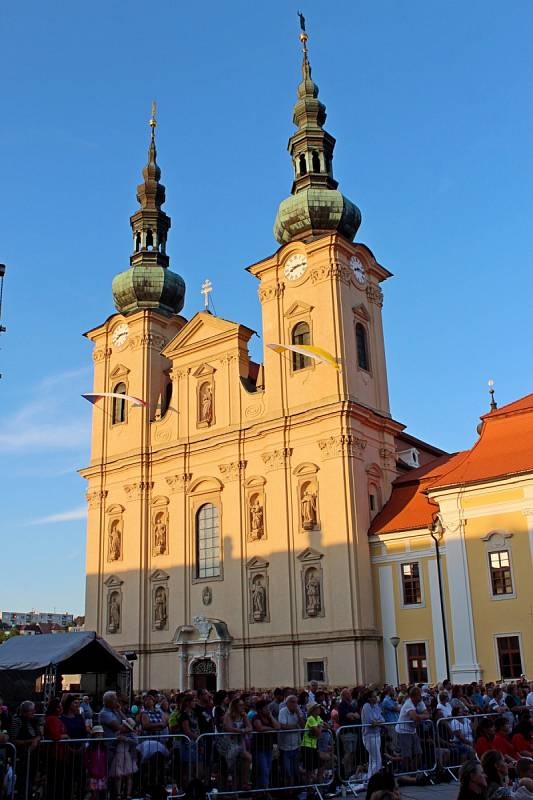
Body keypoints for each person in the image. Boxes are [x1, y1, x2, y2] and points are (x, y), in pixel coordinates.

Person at [9, 700, 41, 799]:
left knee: (30, 780)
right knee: (22, 781)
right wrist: (29, 742)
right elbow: (13, 740)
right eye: (31, 711)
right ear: (24, 712)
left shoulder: (34, 721)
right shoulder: (17, 721)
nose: (33, 713)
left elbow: (40, 734)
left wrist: (36, 740)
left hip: (32, 757)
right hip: (21, 756)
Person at [394, 686, 429, 773]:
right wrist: (420, 717)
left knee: (418, 753)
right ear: (413, 696)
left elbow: (427, 714)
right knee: (407, 755)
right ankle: (405, 773)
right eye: (418, 695)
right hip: (403, 731)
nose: (420, 697)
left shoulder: (420, 702)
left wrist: (419, 717)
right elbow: (414, 717)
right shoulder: (408, 704)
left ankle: (413, 771)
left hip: (412, 731)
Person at [220, 697, 252, 790]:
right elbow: (229, 728)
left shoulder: (243, 715)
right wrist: (242, 730)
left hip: (240, 743)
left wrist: (243, 730)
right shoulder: (228, 715)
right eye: (240, 705)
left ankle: (243, 783)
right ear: (235, 706)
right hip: (229, 744)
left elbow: (250, 727)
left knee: (244, 761)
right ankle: (236, 789)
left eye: (243, 705)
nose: (243, 707)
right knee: (233, 769)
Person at [251, 699, 280, 789]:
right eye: (265, 708)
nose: (268, 709)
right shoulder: (256, 717)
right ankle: (263, 791)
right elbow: (259, 728)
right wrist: (271, 729)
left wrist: (271, 716)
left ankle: (264, 789)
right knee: (263, 770)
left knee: (268, 769)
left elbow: (278, 727)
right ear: (260, 709)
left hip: (268, 748)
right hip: (259, 748)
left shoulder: (268, 717)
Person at [278, 694, 305, 787]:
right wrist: (295, 726)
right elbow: (283, 726)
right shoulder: (283, 711)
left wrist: (299, 714)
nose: (295, 704)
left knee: (295, 770)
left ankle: (293, 790)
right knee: (287, 771)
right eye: (293, 702)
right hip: (285, 747)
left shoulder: (298, 712)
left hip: (296, 746)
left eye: (296, 702)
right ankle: (287, 791)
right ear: (287, 703)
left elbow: (302, 726)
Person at [361, 690, 385, 779]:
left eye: (376, 696)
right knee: (377, 759)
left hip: (377, 734)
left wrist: (378, 722)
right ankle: (374, 779)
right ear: (369, 698)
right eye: (374, 696)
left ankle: (370, 778)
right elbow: (371, 722)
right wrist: (378, 722)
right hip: (369, 736)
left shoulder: (376, 706)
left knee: (372, 759)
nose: (376, 698)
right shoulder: (366, 706)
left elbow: (382, 719)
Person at [301, 701, 323, 784]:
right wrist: (320, 726)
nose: (319, 709)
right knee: (309, 769)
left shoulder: (318, 718)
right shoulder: (310, 718)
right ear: (313, 710)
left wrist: (320, 726)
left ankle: (317, 784)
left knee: (319, 765)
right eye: (317, 708)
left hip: (313, 746)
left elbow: (327, 726)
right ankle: (309, 789)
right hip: (307, 746)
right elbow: (318, 732)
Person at [85, 725, 107, 800]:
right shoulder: (90, 747)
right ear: (93, 736)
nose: (99, 737)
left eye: (101, 735)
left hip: (102, 773)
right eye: (97, 735)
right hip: (92, 773)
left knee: (101, 790)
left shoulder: (104, 747)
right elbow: (86, 758)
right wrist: (88, 768)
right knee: (93, 791)